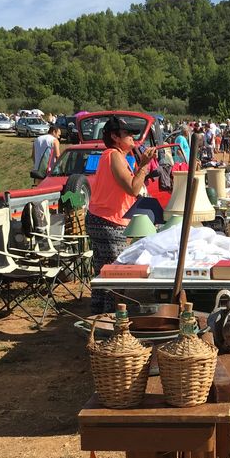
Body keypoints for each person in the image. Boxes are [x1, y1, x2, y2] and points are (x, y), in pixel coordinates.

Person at [87, 116, 157, 314]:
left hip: (103, 219)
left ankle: (99, 318)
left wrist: (140, 165)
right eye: (127, 134)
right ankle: (111, 322)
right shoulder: (113, 155)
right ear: (115, 136)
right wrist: (143, 165)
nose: (132, 138)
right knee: (114, 276)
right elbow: (133, 189)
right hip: (108, 222)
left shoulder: (115, 156)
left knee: (103, 274)